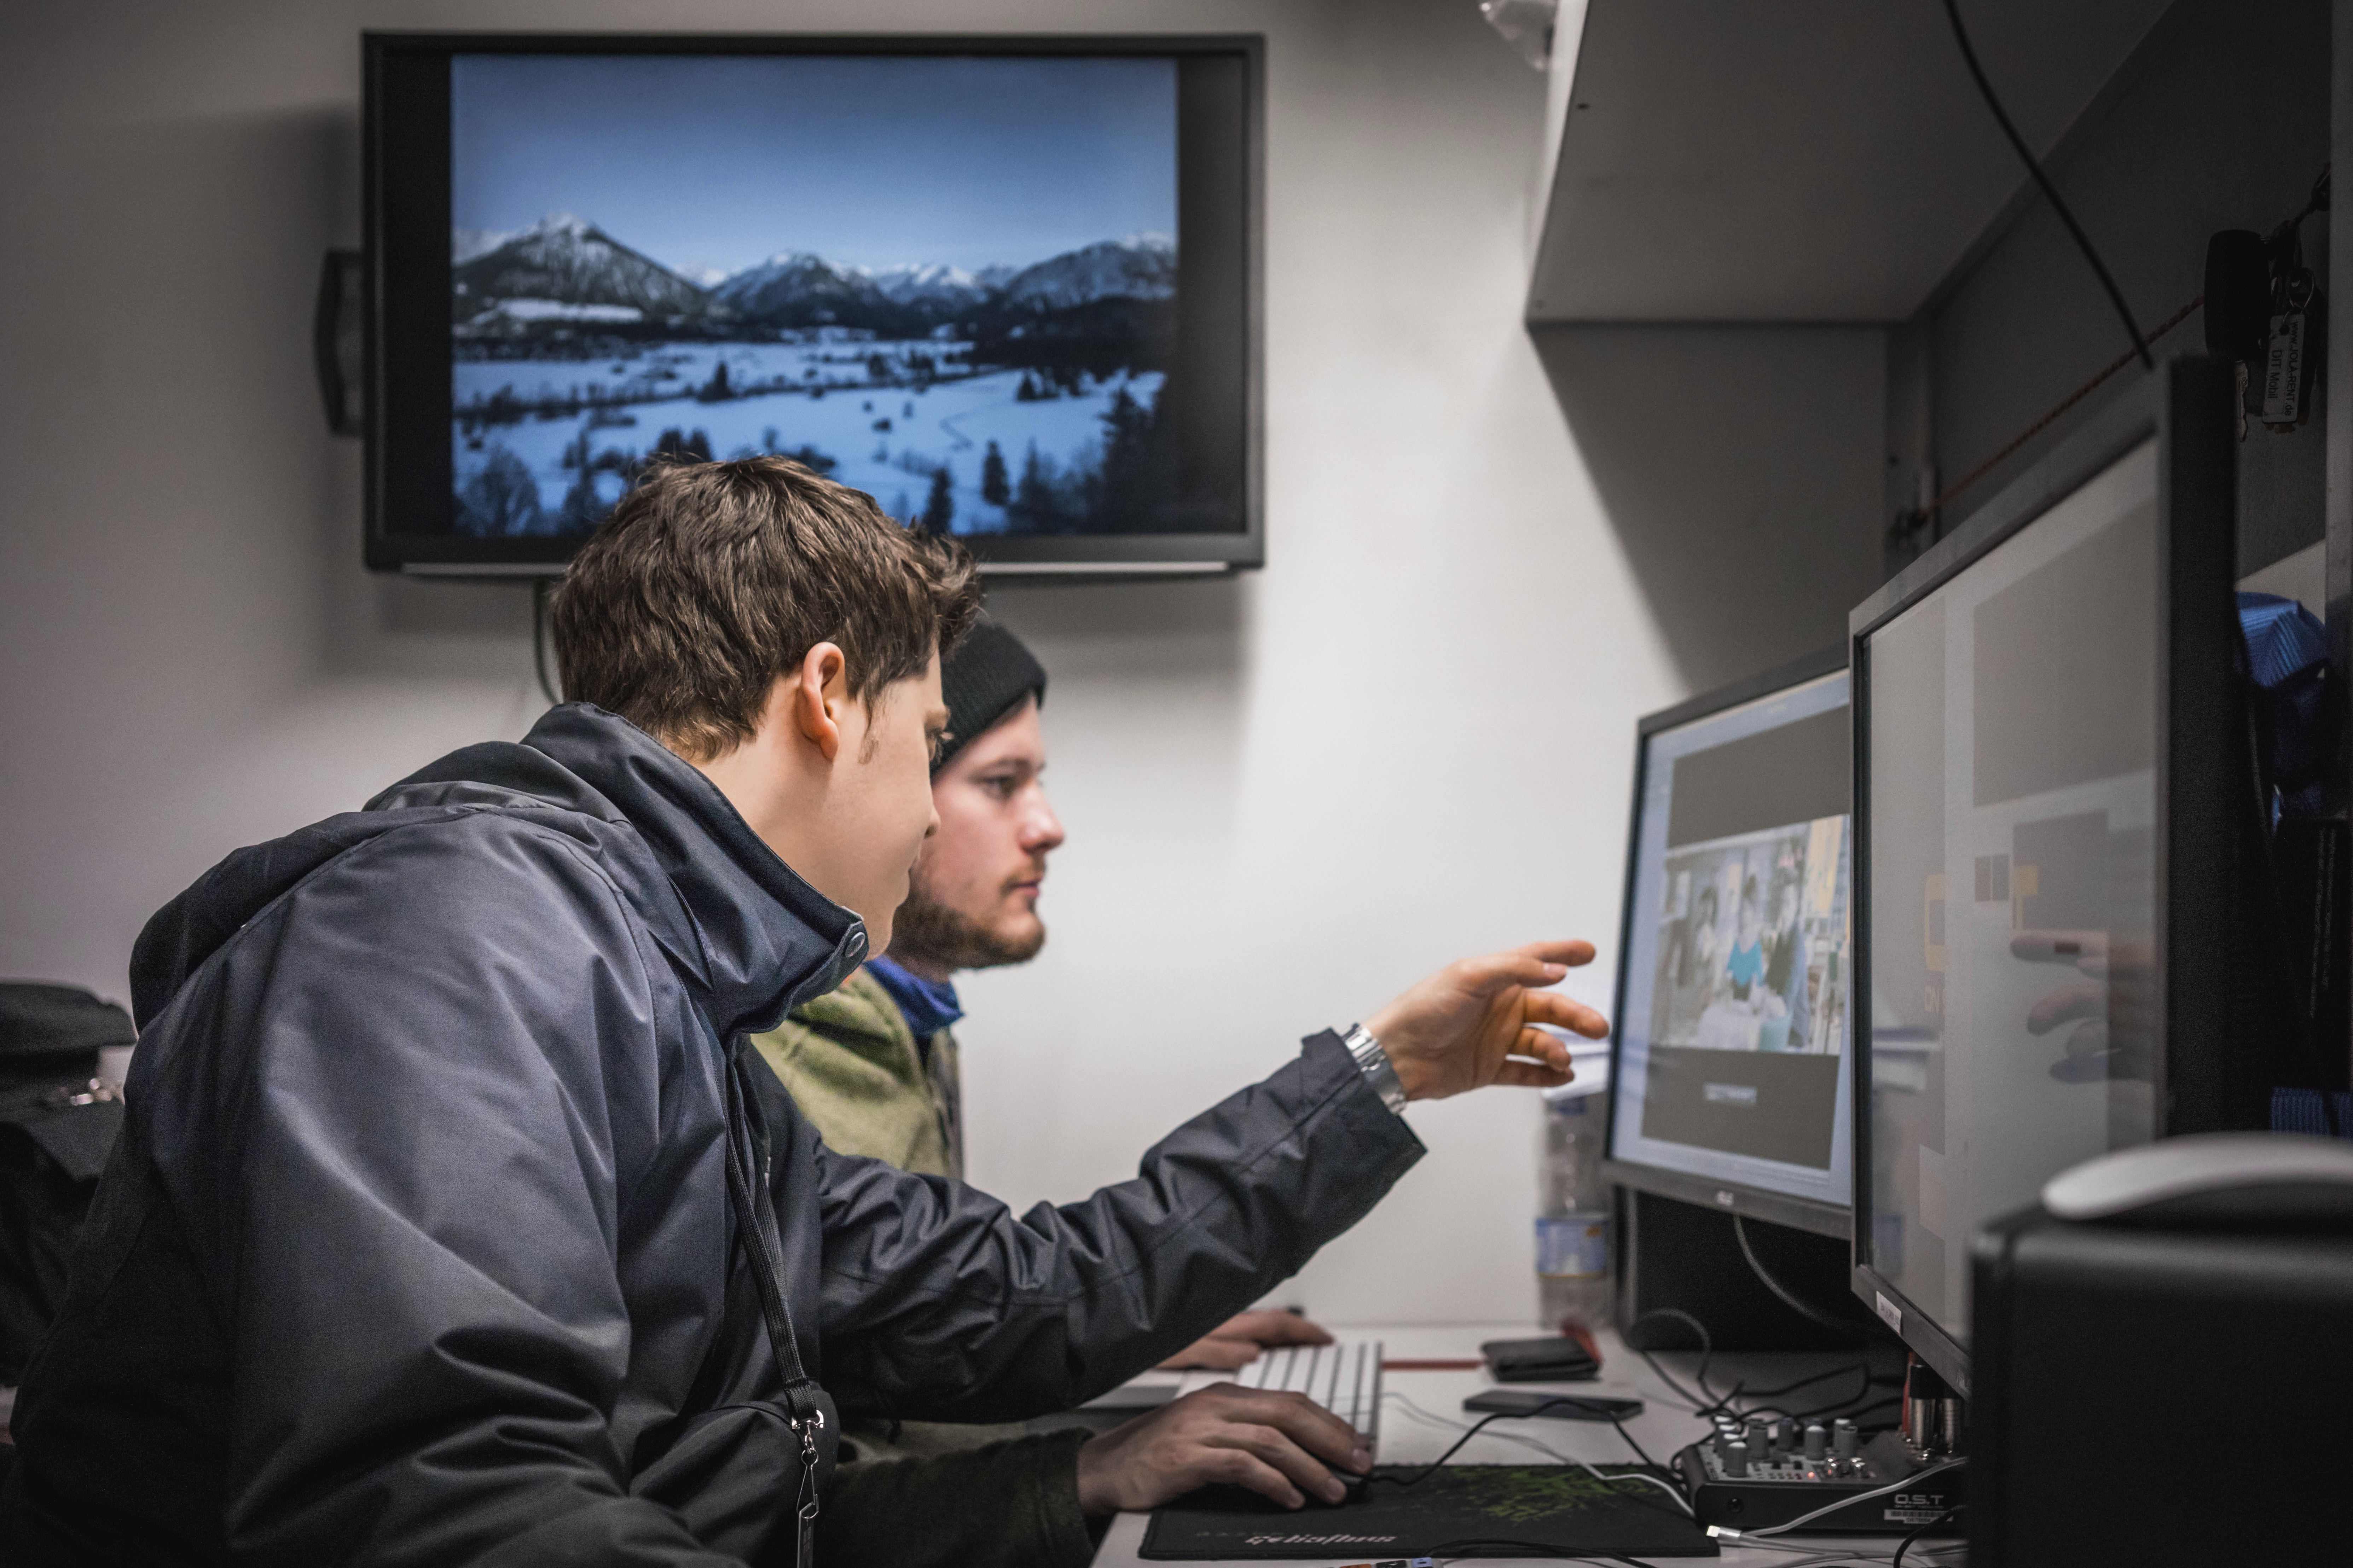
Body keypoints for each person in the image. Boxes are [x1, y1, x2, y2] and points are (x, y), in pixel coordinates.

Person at [0, 456, 1607, 1568]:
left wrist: (1372, 1078)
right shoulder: (449, 942)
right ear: (829, 698)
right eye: (930, 739)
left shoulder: (669, 994)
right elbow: (451, 1513)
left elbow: (992, 1304)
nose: (928, 812)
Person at [750, 616, 1333, 1368]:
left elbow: (913, 1350)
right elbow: (845, 1462)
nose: (1047, 826)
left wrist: (1125, 1345)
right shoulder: (792, 1058)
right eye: (1000, 784)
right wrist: (1077, 1473)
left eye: (1038, 783)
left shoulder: (903, 1022)